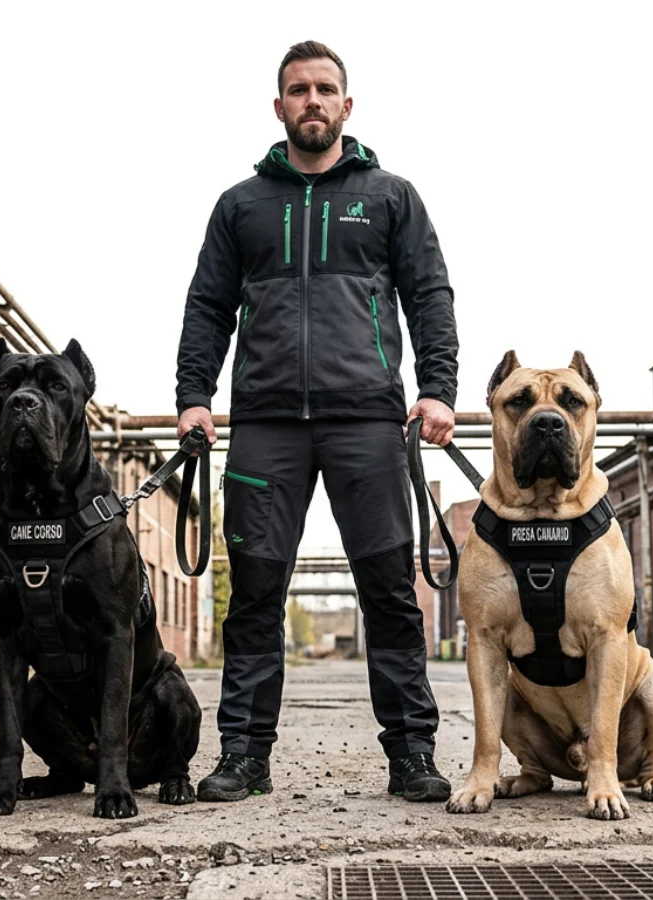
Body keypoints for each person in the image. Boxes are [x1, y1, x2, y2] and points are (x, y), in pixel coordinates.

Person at [174, 40, 459, 803]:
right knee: (257, 593)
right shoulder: (242, 205)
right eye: (298, 90)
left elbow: (431, 295)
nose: (312, 101)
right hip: (265, 422)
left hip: (368, 418)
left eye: (325, 89)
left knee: (390, 591)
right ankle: (243, 755)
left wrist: (437, 390)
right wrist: (193, 397)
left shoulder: (391, 196)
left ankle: (411, 754)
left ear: (346, 105)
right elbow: (207, 307)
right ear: (279, 107)